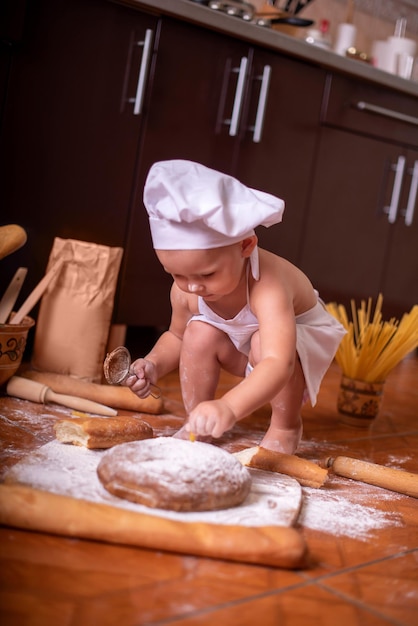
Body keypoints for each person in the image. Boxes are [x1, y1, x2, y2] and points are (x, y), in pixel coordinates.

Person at [124, 160, 346, 454]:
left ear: (246, 246)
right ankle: (199, 423)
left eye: (206, 275)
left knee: (261, 342)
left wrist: (229, 406)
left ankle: (285, 426)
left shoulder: (269, 286)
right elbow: (177, 337)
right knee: (198, 331)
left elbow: (279, 363)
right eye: (176, 274)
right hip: (243, 346)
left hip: (291, 347)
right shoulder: (186, 290)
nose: (192, 286)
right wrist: (153, 364)